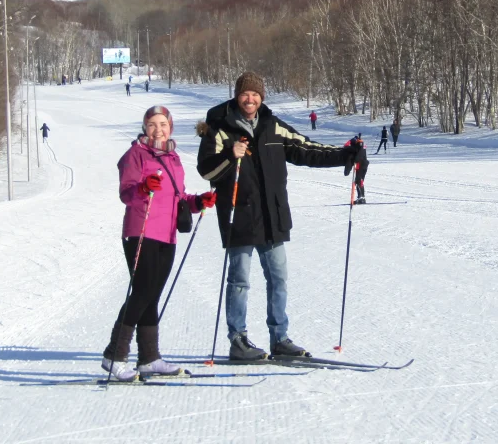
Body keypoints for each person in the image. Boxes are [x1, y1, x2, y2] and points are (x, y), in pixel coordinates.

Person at [196, 71, 368, 361]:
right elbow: (206, 171)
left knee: (278, 279)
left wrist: (344, 154)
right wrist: (230, 156)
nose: (250, 99)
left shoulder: (272, 126)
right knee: (239, 281)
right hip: (238, 215)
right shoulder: (219, 130)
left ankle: (280, 338)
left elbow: (306, 149)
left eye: (255, 94)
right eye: (244, 94)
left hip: (272, 216)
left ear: (261, 97)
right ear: (237, 96)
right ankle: (238, 340)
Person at [102, 105, 217, 381]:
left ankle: (149, 357)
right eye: (152, 124)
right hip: (141, 230)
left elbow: (179, 197)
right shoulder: (135, 155)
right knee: (142, 291)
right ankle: (114, 355)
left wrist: (197, 201)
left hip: (167, 234)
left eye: (163, 124)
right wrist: (143, 188)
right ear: (145, 127)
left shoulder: (173, 157)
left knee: (152, 295)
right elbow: (126, 194)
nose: (158, 129)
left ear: (170, 127)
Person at [344, 134, 368, 204]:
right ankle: (361, 197)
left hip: (360, 165)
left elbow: (345, 146)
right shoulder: (362, 145)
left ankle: (361, 198)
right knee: (359, 180)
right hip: (363, 164)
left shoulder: (357, 147)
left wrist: (350, 141)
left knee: (358, 180)